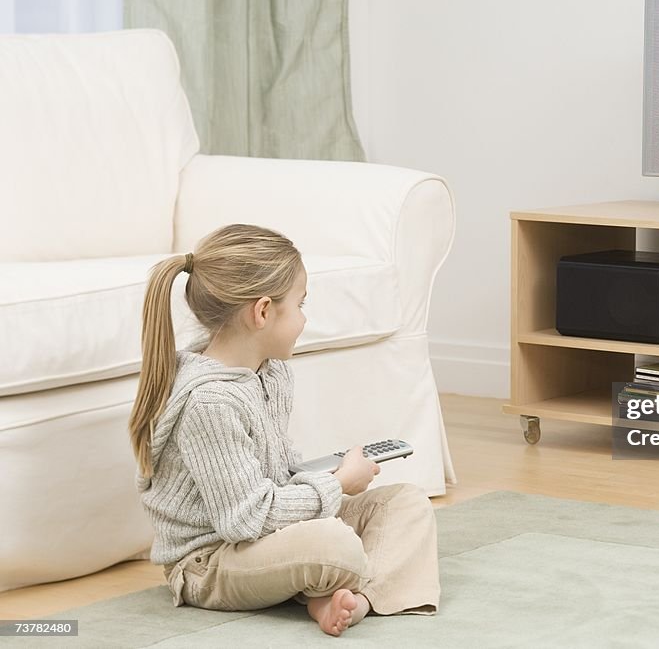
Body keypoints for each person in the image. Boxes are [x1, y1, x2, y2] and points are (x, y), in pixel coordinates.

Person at [128, 224, 439, 637]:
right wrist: (338, 486)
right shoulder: (210, 402)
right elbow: (243, 519)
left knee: (407, 504)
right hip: (212, 562)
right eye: (300, 305)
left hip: (268, 532)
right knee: (335, 545)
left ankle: (353, 600)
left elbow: (277, 472)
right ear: (262, 311)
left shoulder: (271, 375)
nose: (305, 318)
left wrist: (327, 474)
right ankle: (343, 584)